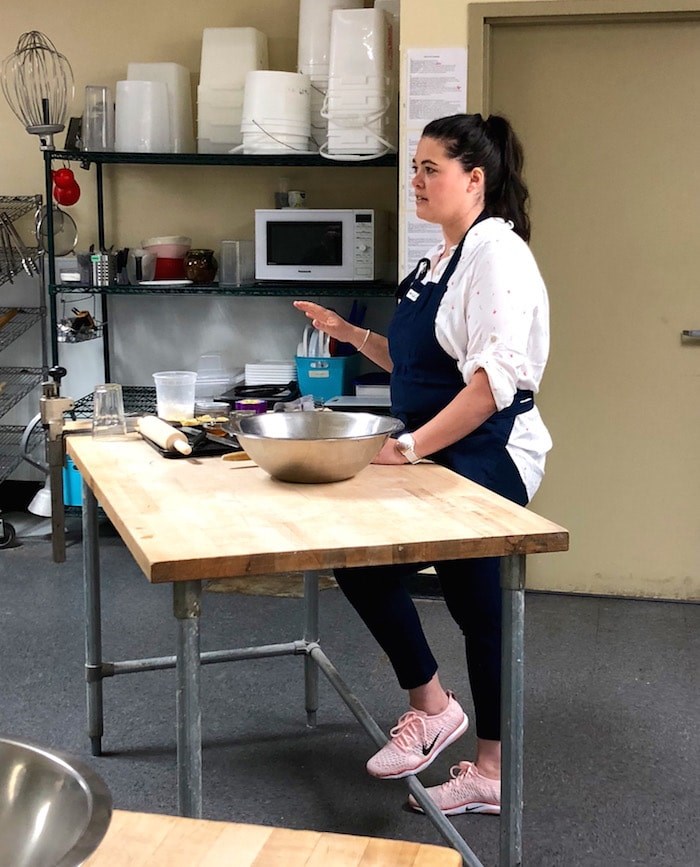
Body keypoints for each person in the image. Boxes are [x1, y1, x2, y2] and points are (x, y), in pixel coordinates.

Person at [293, 113, 552, 817]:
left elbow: (490, 385)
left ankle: (487, 768)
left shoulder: (495, 252)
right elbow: (415, 359)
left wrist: (408, 447)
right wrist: (349, 334)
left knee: (475, 603)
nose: (415, 180)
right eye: (413, 166)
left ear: (476, 179)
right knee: (362, 561)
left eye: (429, 168)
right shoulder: (440, 256)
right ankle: (435, 707)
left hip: (487, 449)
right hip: (439, 449)